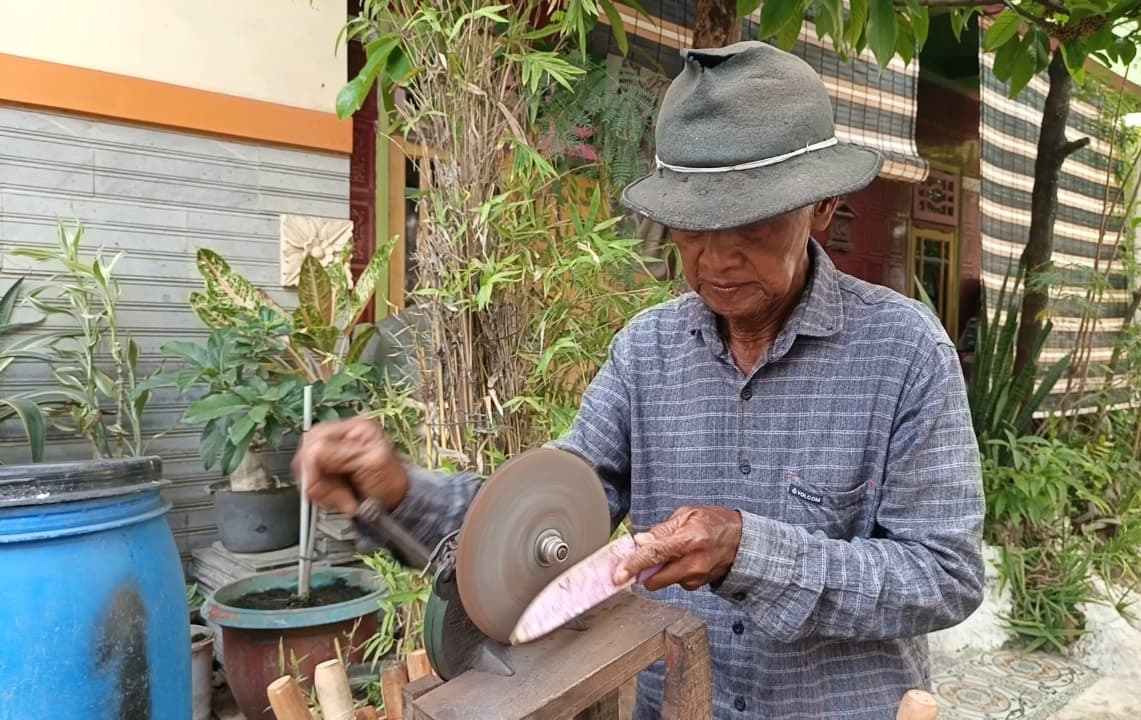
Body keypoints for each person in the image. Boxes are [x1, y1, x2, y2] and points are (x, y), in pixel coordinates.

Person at [294, 40, 985, 719]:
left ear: (823, 207)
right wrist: (400, 490)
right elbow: (541, 521)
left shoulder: (905, 352)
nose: (715, 256)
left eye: (748, 222)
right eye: (689, 225)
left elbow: (945, 575)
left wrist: (754, 552)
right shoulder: (646, 351)